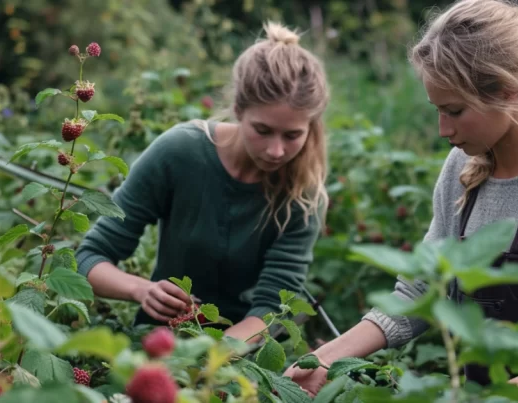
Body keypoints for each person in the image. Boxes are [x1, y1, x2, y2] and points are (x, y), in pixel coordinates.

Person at [284, 0, 518, 401]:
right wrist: (323, 360)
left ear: (507, 91)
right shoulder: (462, 168)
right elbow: (419, 291)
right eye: (437, 110)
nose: (442, 129)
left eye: (454, 110)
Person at [74, 21, 330, 343]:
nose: (276, 151)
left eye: (293, 135)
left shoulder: (303, 195)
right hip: (160, 341)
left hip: (245, 358)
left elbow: (273, 310)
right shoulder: (180, 153)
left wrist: (207, 365)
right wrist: (142, 290)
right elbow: (89, 258)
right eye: (262, 130)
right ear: (238, 109)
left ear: (311, 126)